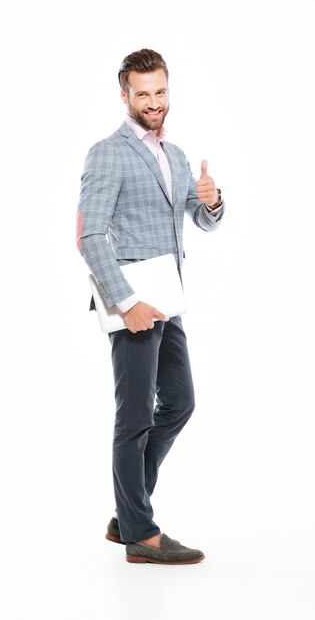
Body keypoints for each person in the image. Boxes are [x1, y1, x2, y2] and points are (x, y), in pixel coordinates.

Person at [76, 48, 224, 564]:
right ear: (126, 96)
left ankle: (128, 510)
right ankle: (139, 533)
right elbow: (90, 237)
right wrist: (128, 302)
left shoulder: (176, 154)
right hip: (133, 300)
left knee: (179, 403)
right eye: (143, 94)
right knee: (135, 416)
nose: (154, 102)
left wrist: (211, 200)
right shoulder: (107, 152)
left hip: (170, 299)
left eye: (160, 91)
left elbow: (199, 221)